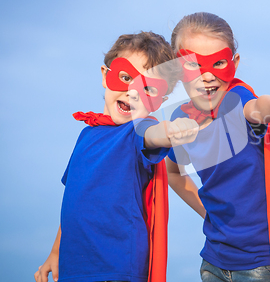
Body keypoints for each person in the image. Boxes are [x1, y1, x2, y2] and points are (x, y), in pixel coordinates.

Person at [34, 31, 200, 282]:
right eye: (125, 77)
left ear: (158, 102)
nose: (132, 93)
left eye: (147, 89)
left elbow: (155, 134)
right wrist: (55, 252)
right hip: (73, 267)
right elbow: (73, 199)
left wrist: (171, 131)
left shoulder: (137, 131)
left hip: (118, 267)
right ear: (104, 75)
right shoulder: (85, 136)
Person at [167, 12, 270, 282]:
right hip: (212, 261)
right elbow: (173, 172)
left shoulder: (236, 99)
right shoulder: (179, 120)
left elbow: (256, 108)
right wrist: (206, 210)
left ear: (234, 63)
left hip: (259, 264)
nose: (207, 77)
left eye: (218, 63)